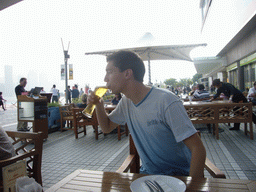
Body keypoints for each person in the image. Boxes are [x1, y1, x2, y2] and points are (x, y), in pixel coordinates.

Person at [88, 50, 206, 177]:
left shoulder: (166, 101)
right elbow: (106, 127)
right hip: (148, 176)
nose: (105, 78)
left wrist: (193, 187)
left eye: (110, 72)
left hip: (179, 176)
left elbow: (198, 149)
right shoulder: (126, 102)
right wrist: (99, 105)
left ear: (127, 73)